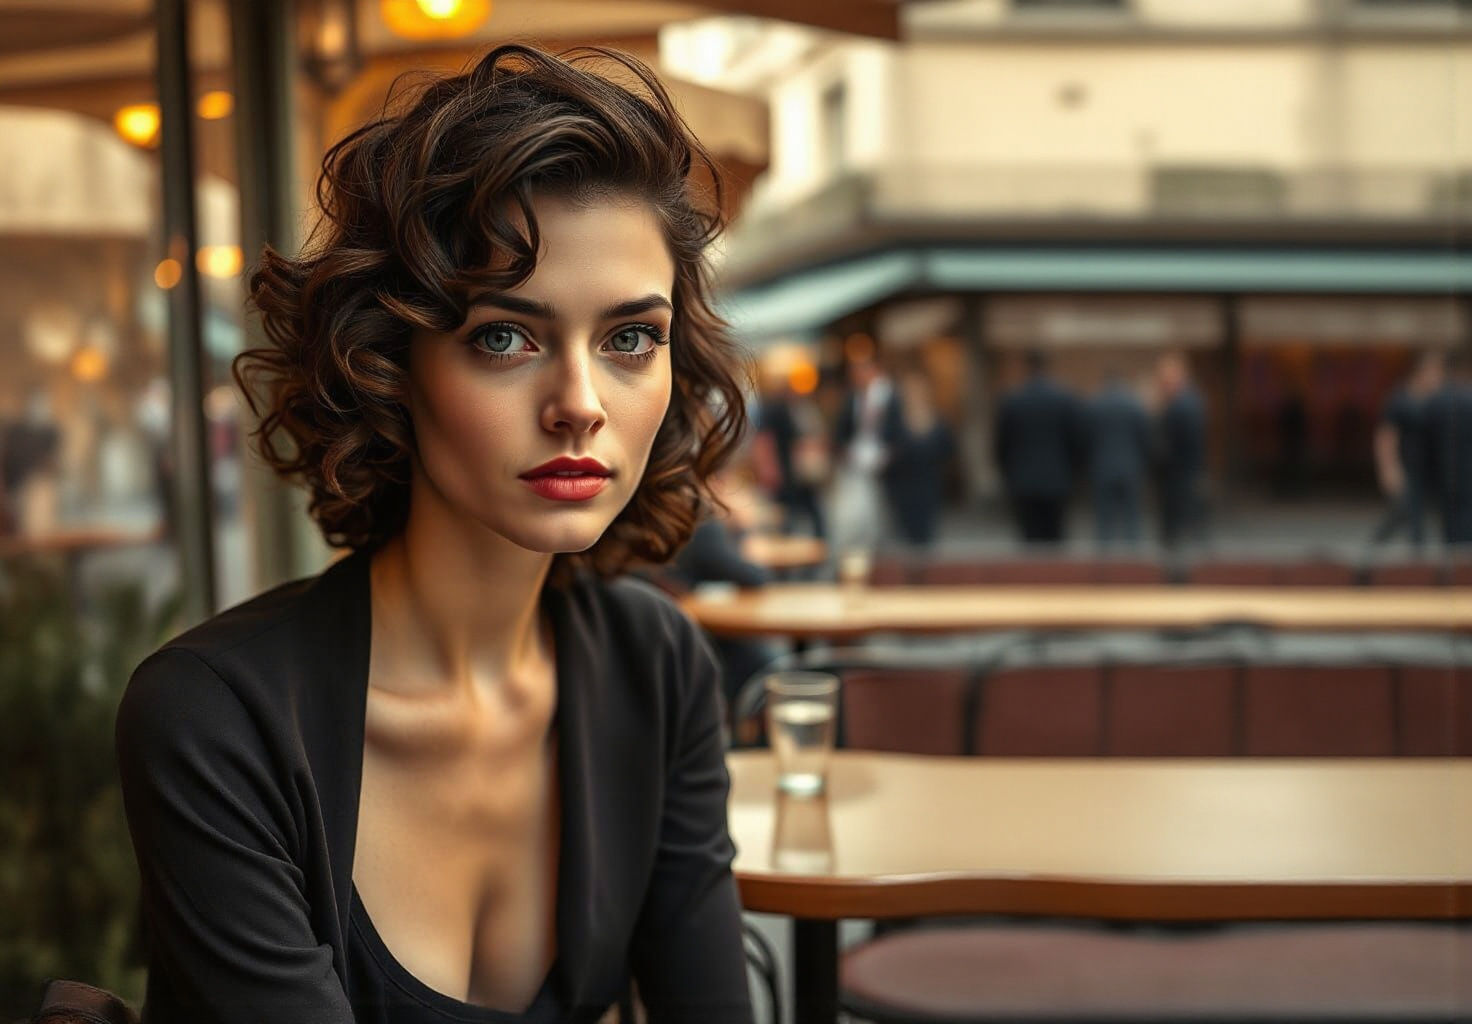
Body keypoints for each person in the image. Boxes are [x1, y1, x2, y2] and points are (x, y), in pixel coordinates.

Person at [113, 45, 755, 1024]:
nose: (579, 405)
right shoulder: (218, 719)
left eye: (630, 337)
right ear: (387, 363)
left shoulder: (654, 665)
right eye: (505, 336)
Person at [993, 349, 1083, 544]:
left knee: (1029, 542)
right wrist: (1072, 473)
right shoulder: (1064, 400)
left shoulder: (1013, 400)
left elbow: (1002, 445)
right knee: (1055, 541)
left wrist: (1009, 473)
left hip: (1023, 481)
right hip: (1057, 479)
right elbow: (1075, 442)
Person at [829, 348, 904, 555]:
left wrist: (888, 455)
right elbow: (842, 430)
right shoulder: (853, 398)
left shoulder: (889, 396)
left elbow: (897, 431)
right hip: (856, 463)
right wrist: (845, 451)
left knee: (880, 514)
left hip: (883, 464)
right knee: (856, 514)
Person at [1370, 351, 1443, 549]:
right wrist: (1388, 468)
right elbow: (1386, 436)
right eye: (1433, 371)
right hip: (1408, 465)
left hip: (1430, 468)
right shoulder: (1400, 399)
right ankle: (1377, 548)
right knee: (1407, 512)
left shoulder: (1435, 400)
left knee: (1418, 513)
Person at [883, 368, 954, 550]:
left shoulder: (937, 418)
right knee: (906, 534)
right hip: (903, 486)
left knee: (926, 534)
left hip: (928, 483)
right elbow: (887, 449)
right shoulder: (895, 419)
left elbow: (947, 448)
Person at [1084, 370, 1151, 547]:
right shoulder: (1134, 405)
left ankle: (1104, 565)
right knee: (1132, 517)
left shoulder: (1095, 405)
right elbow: (1145, 438)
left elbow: (1086, 438)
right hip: (1130, 466)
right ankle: (1133, 561)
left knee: (1104, 520)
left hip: (1102, 467)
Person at [1153, 351, 1208, 549]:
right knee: (1184, 526)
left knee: (1181, 527)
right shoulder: (1187, 402)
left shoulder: (1182, 405)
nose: (1161, 384)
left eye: (1164, 379)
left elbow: (1175, 442)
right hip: (1183, 473)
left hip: (1180, 474)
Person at [1425, 347, 1472, 547]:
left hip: (1443, 471)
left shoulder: (1435, 401)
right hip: (1467, 471)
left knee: (1449, 522)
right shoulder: (1468, 400)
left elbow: (1426, 440)